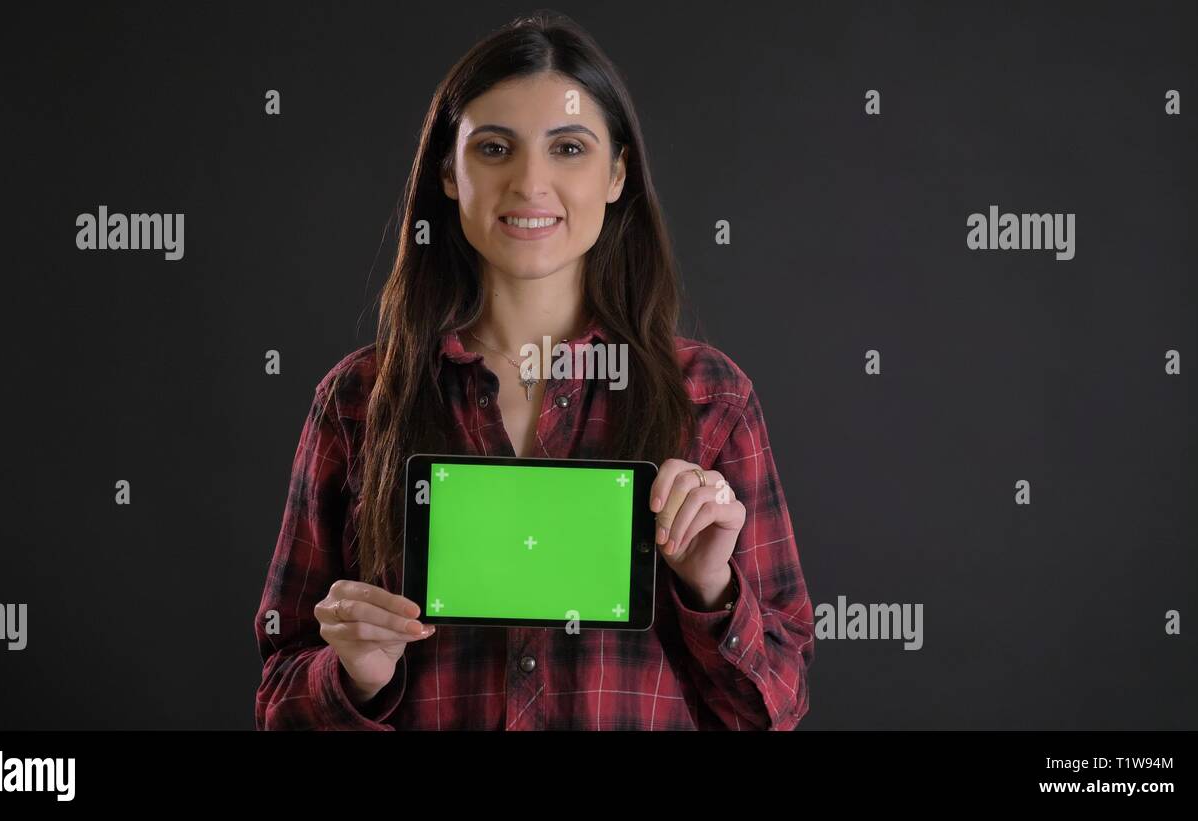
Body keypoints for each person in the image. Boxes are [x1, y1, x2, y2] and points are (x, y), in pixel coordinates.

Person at [253, 11, 814, 730]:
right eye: (493, 148)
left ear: (617, 174)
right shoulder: (358, 401)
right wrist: (351, 676)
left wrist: (712, 589)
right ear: (450, 176)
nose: (530, 181)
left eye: (569, 147)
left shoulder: (712, 399)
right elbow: (278, 697)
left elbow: (776, 709)